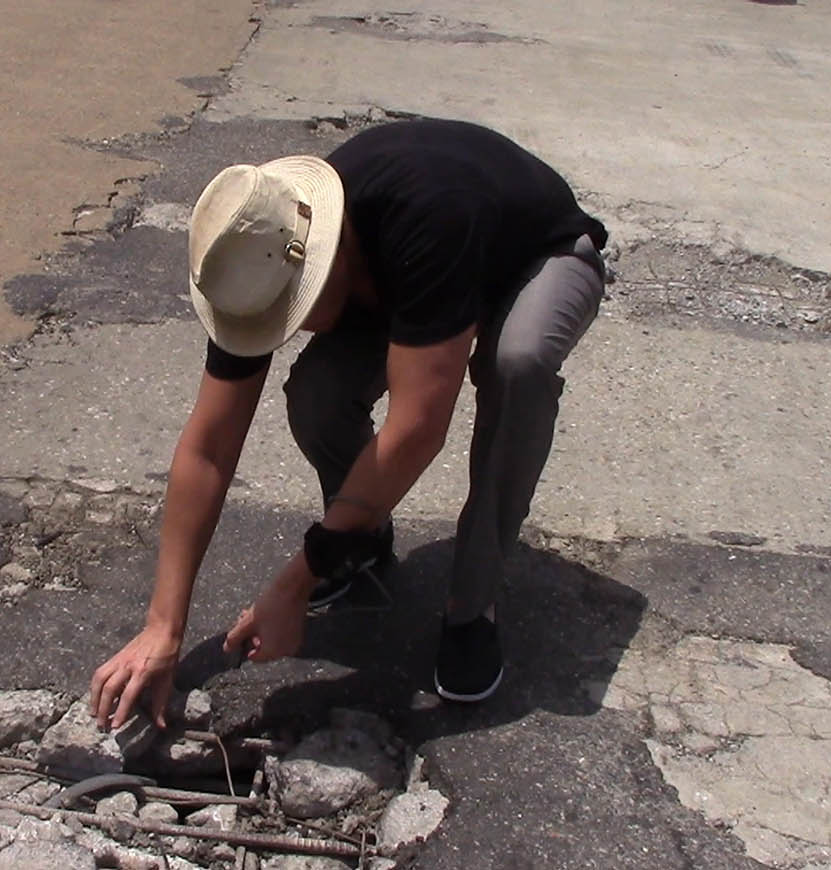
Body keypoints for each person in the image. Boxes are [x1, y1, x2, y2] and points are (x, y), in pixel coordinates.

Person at [89, 118, 607, 729]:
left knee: (516, 363)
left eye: (296, 309)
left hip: (534, 258)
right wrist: (162, 627)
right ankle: (357, 540)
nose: (290, 326)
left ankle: (472, 602)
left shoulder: (424, 215)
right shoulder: (251, 253)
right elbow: (207, 450)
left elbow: (416, 429)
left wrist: (294, 582)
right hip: (404, 274)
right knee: (317, 392)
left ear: (325, 256)